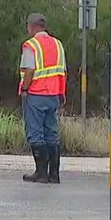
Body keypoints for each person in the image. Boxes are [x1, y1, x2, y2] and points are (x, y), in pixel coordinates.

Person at [18, 12, 67, 183]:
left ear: (31, 27)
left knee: (35, 133)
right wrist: (61, 93)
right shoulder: (58, 44)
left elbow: (29, 70)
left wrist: (24, 88)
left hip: (36, 94)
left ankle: (41, 173)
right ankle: (54, 174)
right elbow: (63, 71)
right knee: (51, 133)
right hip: (54, 94)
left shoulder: (30, 45)